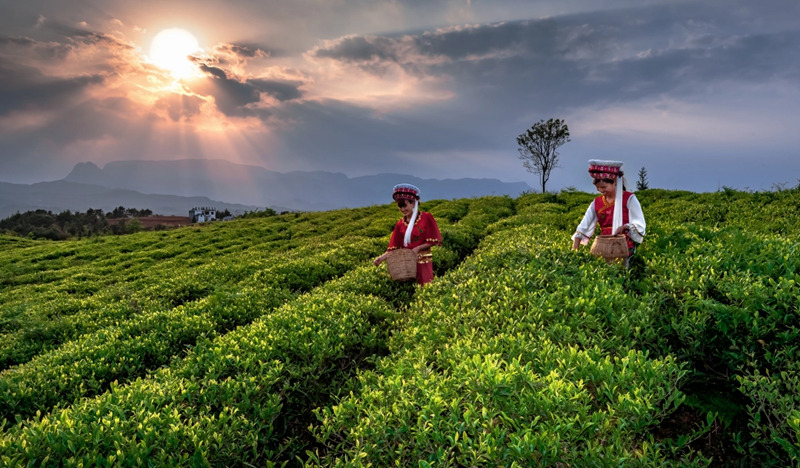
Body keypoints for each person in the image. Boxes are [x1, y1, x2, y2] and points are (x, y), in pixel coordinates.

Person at [572, 160, 646, 266]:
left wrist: (625, 227)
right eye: (598, 187)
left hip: (623, 246)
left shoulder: (629, 198)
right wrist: (575, 246)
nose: (600, 190)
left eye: (603, 187)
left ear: (615, 182)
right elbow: (584, 224)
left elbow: (639, 223)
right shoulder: (596, 202)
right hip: (602, 246)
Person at [373, 183, 442, 285]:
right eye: (400, 207)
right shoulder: (400, 224)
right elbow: (394, 247)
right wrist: (381, 258)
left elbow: (434, 240)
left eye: (405, 206)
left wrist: (418, 248)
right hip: (407, 263)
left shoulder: (426, 217)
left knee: (426, 286)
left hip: (423, 261)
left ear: (413, 203)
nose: (403, 209)